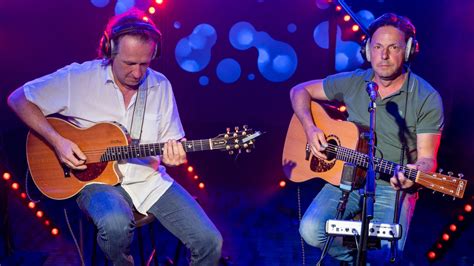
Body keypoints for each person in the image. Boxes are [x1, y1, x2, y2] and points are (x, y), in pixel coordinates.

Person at [7, 8, 222, 266]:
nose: (138, 73)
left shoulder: (160, 85)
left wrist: (176, 156)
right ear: (108, 50)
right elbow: (18, 99)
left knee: (210, 242)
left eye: (145, 63)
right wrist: (58, 141)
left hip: (149, 181)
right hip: (96, 183)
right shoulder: (79, 78)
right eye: (129, 63)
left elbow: (172, 142)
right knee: (116, 224)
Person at [290, 13, 444, 264]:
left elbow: (428, 160)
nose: (383, 56)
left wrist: (414, 172)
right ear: (367, 50)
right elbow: (299, 91)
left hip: (391, 186)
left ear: (407, 51)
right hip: (347, 176)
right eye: (377, 47)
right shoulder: (354, 81)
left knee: (384, 255)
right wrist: (310, 128)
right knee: (311, 230)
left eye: (393, 48)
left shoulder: (426, 97)